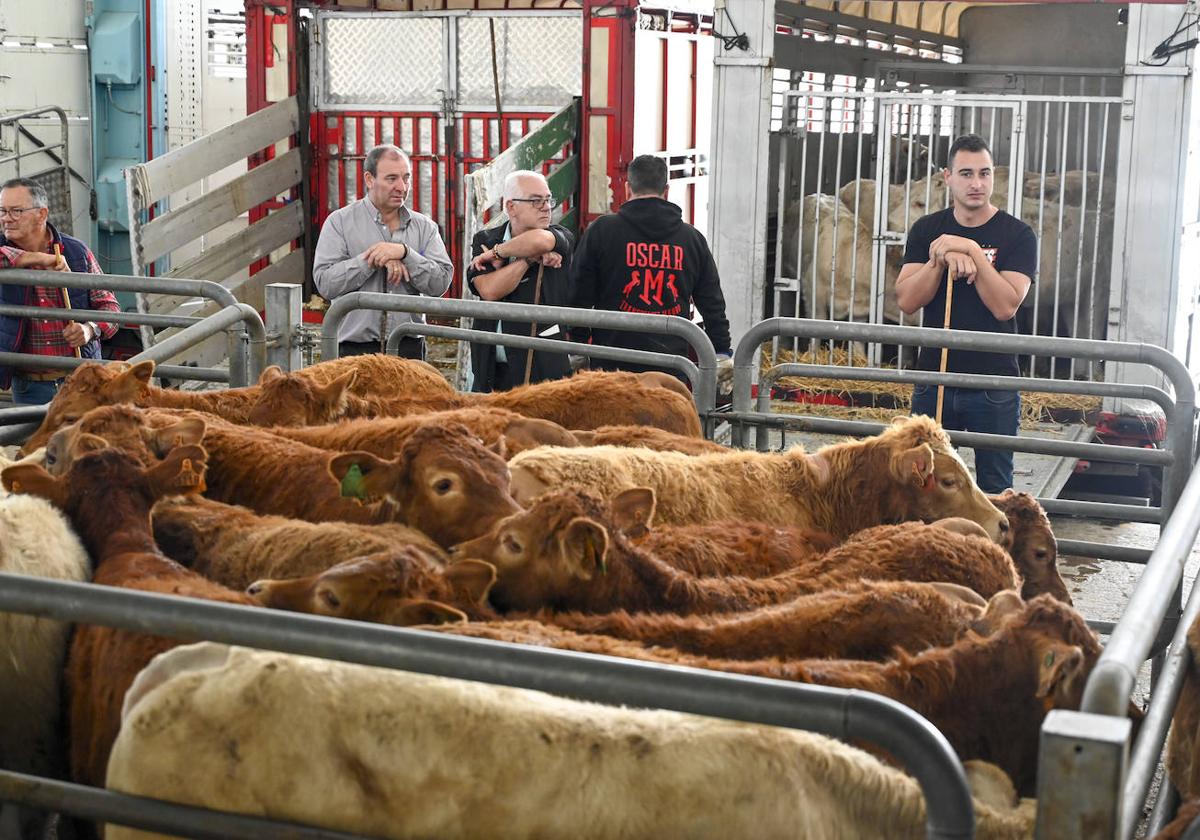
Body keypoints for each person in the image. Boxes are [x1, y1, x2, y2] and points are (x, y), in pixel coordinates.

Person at [895, 134, 1037, 493]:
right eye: (967, 173)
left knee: (995, 487)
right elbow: (907, 300)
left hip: (993, 382)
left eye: (985, 173)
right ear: (947, 177)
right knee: (925, 485)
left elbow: (1006, 306)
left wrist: (972, 251)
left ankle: (992, 551)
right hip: (934, 378)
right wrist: (938, 260)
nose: (977, 184)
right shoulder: (927, 229)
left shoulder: (1018, 235)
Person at [569, 154, 733, 388]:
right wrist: (721, 352)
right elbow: (712, 302)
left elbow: (578, 295)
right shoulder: (692, 239)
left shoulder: (601, 232)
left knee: (611, 426)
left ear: (627, 189)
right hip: (670, 369)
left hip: (611, 367)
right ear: (666, 190)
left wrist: (577, 345)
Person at [313, 144, 453, 360]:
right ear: (369, 179)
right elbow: (326, 284)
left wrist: (405, 253)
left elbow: (440, 283)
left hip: (409, 350)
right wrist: (371, 259)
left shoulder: (425, 227)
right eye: (391, 179)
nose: (402, 187)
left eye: (406, 178)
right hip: (354, 351)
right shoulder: (339, 222)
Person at [0, 177, 119, 405]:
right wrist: (41, 258)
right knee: (36, 441)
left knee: (85, 441)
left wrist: (89, 329)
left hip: (81, 380)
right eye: (2, 211)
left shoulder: (76, 251)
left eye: (16, 211)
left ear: (42, 214)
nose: (6, 218)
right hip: (29, 385)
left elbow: (111, 309)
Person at [466, 169, 573, 392]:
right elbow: (489, 290)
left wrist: (496, 253)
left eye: (547, 199)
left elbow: (540, 240)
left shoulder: (559, 237)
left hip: (541, 370)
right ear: (510, 207)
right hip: (490, 368)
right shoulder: (485, 238)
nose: (546, 206)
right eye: (535, 200)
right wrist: (527, 260)